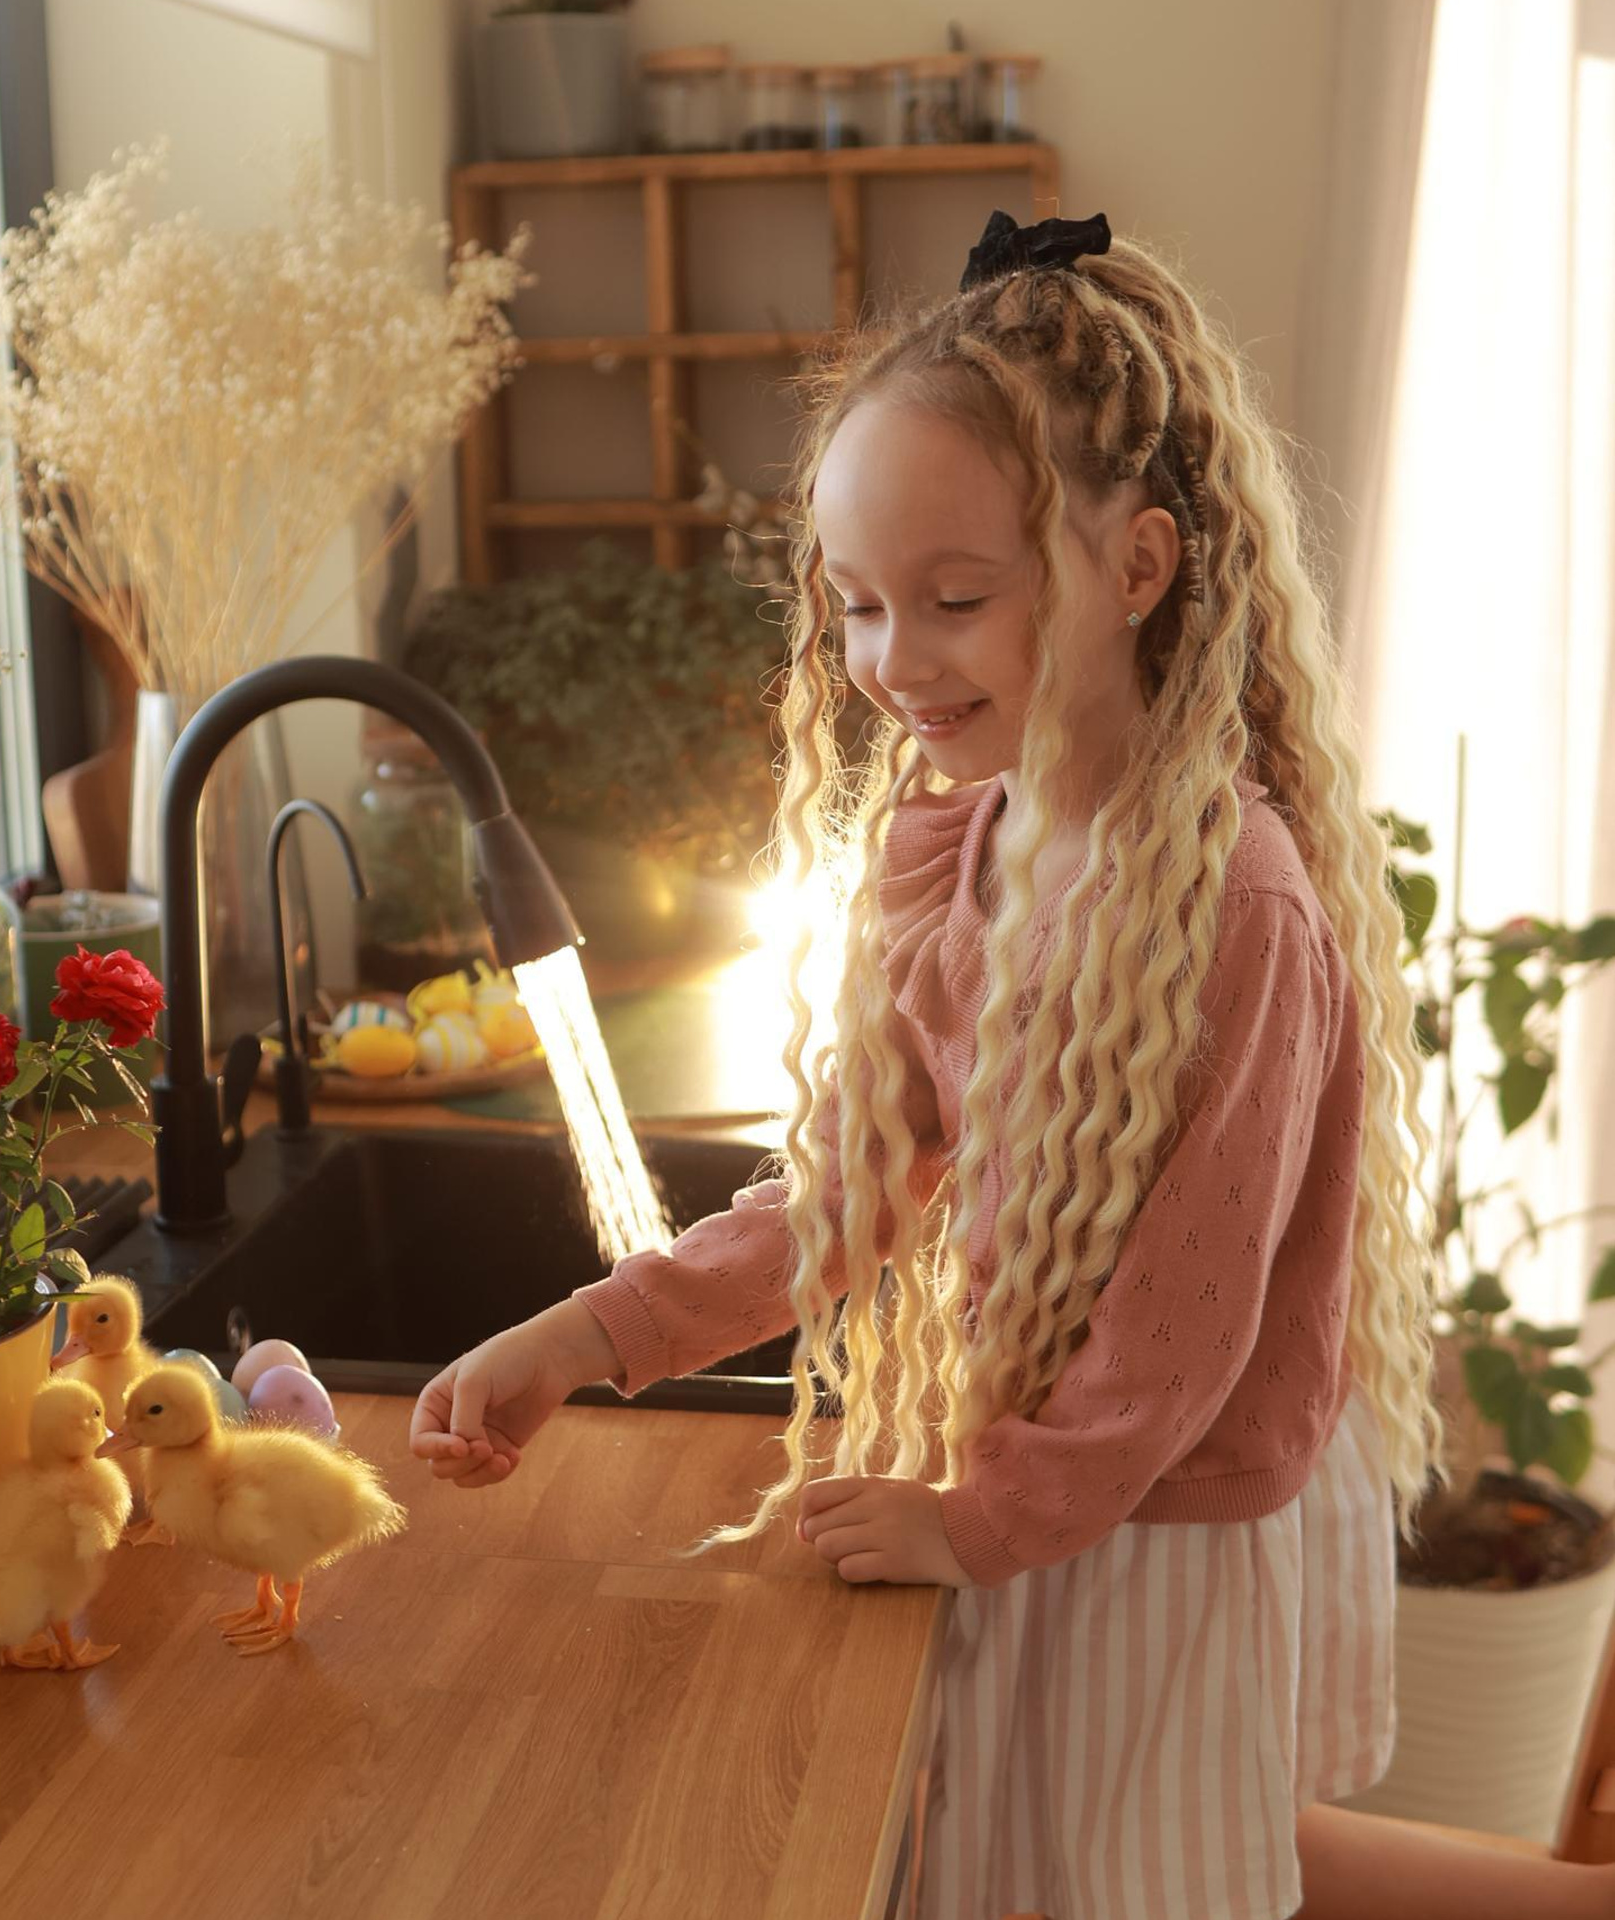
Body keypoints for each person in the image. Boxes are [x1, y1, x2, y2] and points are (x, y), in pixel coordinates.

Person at [410, 210, 1615, 1920]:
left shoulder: (1232, 908)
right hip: (1060, 1475)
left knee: (1134, 1881)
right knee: (1141, 1853)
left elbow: (1176, 1346)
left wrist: (979, 1525)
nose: (895, 663)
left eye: (955, 600)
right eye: (859, 610)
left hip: (1152, 1512)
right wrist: (588, 1336)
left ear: (1139, 564)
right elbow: (839, 1197)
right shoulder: (961, 848)